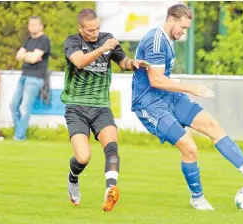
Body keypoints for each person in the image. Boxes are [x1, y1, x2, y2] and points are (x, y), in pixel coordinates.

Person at [131, 3, 243, 210]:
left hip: (169, 97)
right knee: (189, 146)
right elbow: (156, 80)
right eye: (182, 28)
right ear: (170, 20)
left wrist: (183, 90)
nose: (183, 32)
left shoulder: (168, 39)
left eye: (186, 28)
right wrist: (190, 88)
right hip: (149, 103)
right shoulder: (156, 40)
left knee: (212, 126)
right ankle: (197, 198)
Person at [62, 8, 149, 212]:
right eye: (90, 30)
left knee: (111, 148)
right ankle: (73, 178)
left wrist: (133, 63)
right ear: (80, 29)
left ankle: (110, 190)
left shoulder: (108, 39)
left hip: (101, 106)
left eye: (97, 28)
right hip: (76, 106)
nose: (95, 33)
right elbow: (80, 62)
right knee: (83, 157)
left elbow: (122, 61)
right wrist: (101, 49)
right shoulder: (72, 42)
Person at [11, 16, 51, 140]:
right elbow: (18, 56)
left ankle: (19, 136)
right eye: (30, 25)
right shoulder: (28, 39)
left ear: (41, 26)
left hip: (35, 78)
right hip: (24, 75)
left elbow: (34, 59)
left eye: (35, 24)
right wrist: (30, 55)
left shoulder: (44, 40)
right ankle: (19, 132)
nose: (32, 27)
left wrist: (27, 55)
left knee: (25, 107)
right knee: (13, 105)